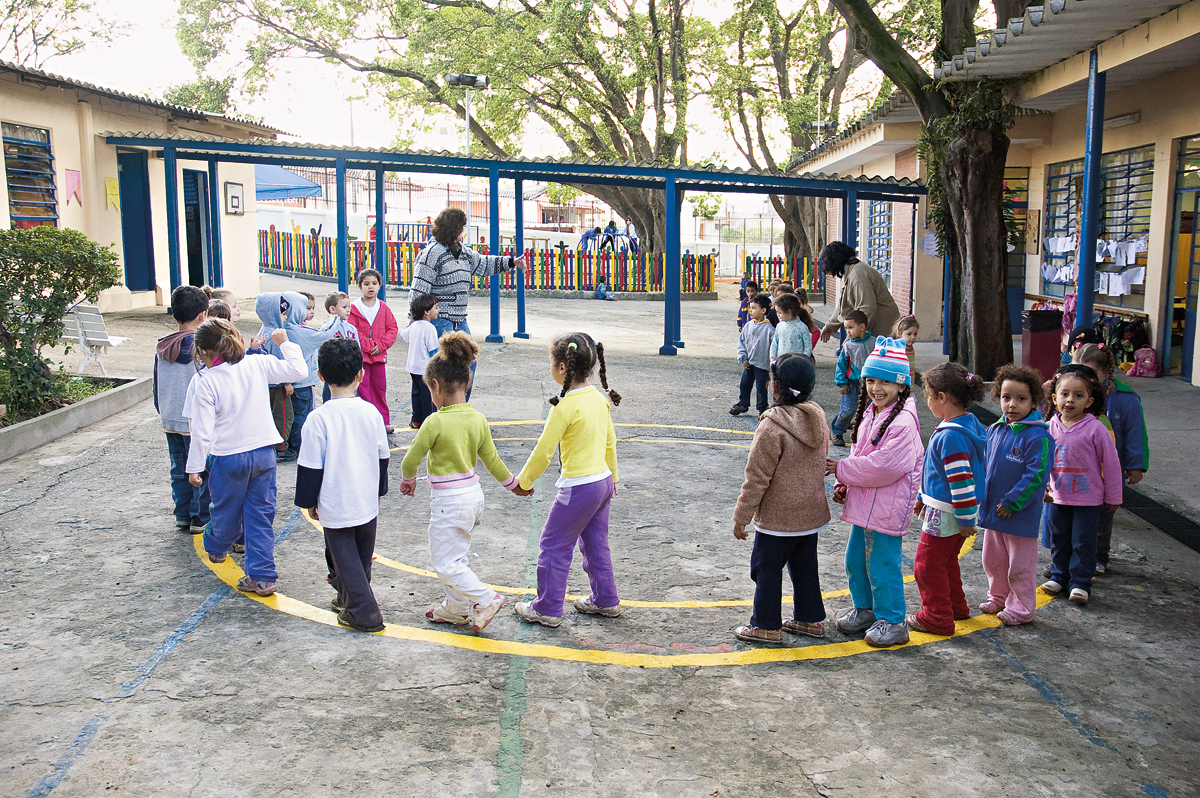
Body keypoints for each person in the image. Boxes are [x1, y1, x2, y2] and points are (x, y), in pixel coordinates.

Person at [400, 332, 519, 633]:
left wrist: (408, 479)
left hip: (449, 503)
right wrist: (513, 484)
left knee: (446, 562)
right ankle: (455, 608)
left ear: (436, 386)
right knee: (455, 554)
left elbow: (409, 459)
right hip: (474, 498)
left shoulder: (435, 421)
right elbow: (492, 460)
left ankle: (486, 599)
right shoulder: (477, 418)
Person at [186, 320, 308, 597]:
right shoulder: (257, 363)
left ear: (203, 351)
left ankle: (216, 546)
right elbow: (299, 371)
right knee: (261, 515)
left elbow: (202, 431)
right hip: (264, 453)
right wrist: (284, 342)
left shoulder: (206, 381)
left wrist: (194, 468)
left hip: (228, 457)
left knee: (226, 511)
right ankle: (263, 577)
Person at [512, 333, 623, 628]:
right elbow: (610, 443)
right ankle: (606, 599)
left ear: (562, 367)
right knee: (596, 543)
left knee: (553, 543)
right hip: (601, 483)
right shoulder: (599, 400)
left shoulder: (564, 406)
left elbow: (543, 451)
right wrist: (613, 477)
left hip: (578, 487)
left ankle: (547, 607)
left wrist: (523, 481)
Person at [826, 336, 922, 647]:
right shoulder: (873, 410)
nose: (876, 388)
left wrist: (840, 469)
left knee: (883, 564)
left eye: (885, 381)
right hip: (867, 503)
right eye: (871, 380)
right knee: (856, 560)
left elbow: (884, 466)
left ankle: (893, 620)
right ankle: (866, 609)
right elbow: (861, 451)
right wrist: (846, 483)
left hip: (887, 507)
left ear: (902, 385)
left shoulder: (904, 422)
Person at [731, 355, 831, 644]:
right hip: (810, 514)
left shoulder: (771, 427)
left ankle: (765, 624)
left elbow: (756, 477)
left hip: (777, 518)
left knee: (765, 570)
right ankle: (810, 620)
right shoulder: (818, 419)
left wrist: (742, 515)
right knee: (805, 568)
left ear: (774, 386)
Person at [295, 337, 391, 633]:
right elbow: (382, 456)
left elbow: (310, 466)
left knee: (344, 557)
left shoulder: (318, 419)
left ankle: (364, 611)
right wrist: (378, 492)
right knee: (360, 557)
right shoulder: (371, 413)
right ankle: (347, 598)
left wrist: (308, 501)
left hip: (335, 501)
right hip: (365, 498)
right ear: (360, 373)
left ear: (320, 376)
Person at [409, 207, 525, 401]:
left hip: (460, 320)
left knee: (469, 361)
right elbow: (418, 290)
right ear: (453, 228)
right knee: (442, 367)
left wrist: (512, 262)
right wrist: (415, 321)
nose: (463, 231)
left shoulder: (464, 253)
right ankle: (438, 408)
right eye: (461, 227)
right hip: (439, 319)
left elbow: (484, 264)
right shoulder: (432, 254)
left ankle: (459, 404)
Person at [907, 363, 987, 636]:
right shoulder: (967, 424)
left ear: (942, 397)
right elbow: (938, 473)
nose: (927, 401)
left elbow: (960, 480)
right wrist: (922, 496)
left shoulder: (951, 436)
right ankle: (955, 605)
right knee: (947, 560)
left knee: (927, 565)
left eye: (928, 395)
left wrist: (966, 520)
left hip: (949, 512)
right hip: (949, 508)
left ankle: (937, 616)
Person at [1041, 364, 1123, 607]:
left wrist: (1114, 496)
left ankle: (1080, 583)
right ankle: (1059, 576)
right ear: (1055, 398)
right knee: (1059, 538)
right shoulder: (1048, 428)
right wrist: (1042, 486)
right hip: (1057, 498)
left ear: (1089, 401)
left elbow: (1111, 464)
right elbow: (1042, 462)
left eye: (1078, 395)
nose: (1070, 400)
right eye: (1065, 394)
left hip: (1088, 500)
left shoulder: (1096, 429)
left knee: (1083, 541)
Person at [978, 364, 1053, 626]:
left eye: (1021, 399)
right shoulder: (995, 430)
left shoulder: (1038, 436)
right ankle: (998, 597)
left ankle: (1021, 609)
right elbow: (985, 467)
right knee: (993, 560)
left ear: (1033, 401)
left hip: (1019, 515)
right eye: (1006, 398)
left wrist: (1013, 501)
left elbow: (1036, 475)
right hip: (993, 511)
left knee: (1020, 566)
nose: (1012, 404)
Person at [1072, 344, 1147, 575]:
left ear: (1106, 372)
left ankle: (1098, 557)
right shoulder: (1070, 393)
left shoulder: (1125, 398)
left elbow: (1136, 434)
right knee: (1070, 519)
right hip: (1075, 471)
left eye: (1090, 374)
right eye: (1078, 371)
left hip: (1106, 474)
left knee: (1102, 519)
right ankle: (1067, 558)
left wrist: (1136, 466)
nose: (1083, 379)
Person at [255, 291, 337, 460]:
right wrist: (286, 381)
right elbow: (281, 359)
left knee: (288, 416)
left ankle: (287, 445)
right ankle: (289, 447)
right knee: (291, 417)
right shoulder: (280, 333)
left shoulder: (270, 329)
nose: (285, 316)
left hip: (274, 383)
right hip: (291, 383)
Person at [155, 285, 210, 534]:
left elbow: (156, 384)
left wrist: (163, 409)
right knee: (199, 468)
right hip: (194, 420)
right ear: (202, 315)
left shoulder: (162, 347)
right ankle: (200, 517)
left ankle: (182, 514)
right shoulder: (200, 346)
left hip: (170, 417)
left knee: (179, 468)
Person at [817, 241, 901, 346]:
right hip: (877, 329)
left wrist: (854, 339)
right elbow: (843, 305)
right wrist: (830, 325)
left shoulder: (857, 275)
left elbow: (867, 309)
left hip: (883, 329)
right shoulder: (852, 271)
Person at [348, 268, 399, 432]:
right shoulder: (354, 308)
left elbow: (392, 329)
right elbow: (353, 331)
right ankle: (366, 422)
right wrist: (370, 347)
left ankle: (383, 421)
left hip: (379, 357)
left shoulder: (383, 308)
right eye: (366, 284)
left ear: (380, 286)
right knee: (362, 389)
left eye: (374, 283)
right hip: (361, 357)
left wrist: (381, 345)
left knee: (379, 388)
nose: (371, 287)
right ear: (359, 286)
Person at [830, 310, 872, 447]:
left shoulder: (875, 342)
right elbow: (841, 366)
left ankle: (864, 433)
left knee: (868, 410)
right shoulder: (848, 346)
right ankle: (837, 430)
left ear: (862, 327)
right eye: (846, 328)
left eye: (850, 327)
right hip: (852, 384)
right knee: (848, 409)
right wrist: (842, 383)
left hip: (870, 383)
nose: (848, 331)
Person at [730, 295, 774, 417]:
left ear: (763, 310)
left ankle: (762, 408)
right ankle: (743, 404)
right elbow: (742, 342)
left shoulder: (769, 329)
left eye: (754, 308)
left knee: (761, 387)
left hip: (762, 365)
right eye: (750, 307)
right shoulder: (748, 326)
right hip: (748, 364)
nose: (750, 310)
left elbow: (773, 348)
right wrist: (743, 358)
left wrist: (772, 362)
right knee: (744, 384)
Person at [401, 293, 441, 429]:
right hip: (425, 368)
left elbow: (403, 335)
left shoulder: (414, 326)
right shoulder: (429, 328)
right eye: (435, 307)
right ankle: (427, 421)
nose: (438, 310)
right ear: (426, 311)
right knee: (428, 396)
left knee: (416, 393)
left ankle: (416, 419)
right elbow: (433, 350)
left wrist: (412, 320)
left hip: (413, 367)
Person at [317, 291, 359, 403]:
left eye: (349, 306)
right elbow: (321, 350)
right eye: (344, 307)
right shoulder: (327, 328)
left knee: (350, 401)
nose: (348, 310)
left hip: (349, 373)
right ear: (332, 309)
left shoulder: (351, 329)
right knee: (330, 401)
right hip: (333, 372)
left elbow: (357, 349)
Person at [770, 293, 815, 366]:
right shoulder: (779, 326)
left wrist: (804, 359)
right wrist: (772, 358)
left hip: (797, 363)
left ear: (789, 312)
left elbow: (808, 346)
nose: (778, 315)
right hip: (781, 362)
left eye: (780, 312)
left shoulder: (802, 327)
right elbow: (775, 343)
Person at [892, 315, 920, 383]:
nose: (913, 337)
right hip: (899, 384)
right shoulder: (897, 349)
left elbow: (911, 370)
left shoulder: (910, 348)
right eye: (909, 334)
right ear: (899, 333)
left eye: (915, 334)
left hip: (909, 382)